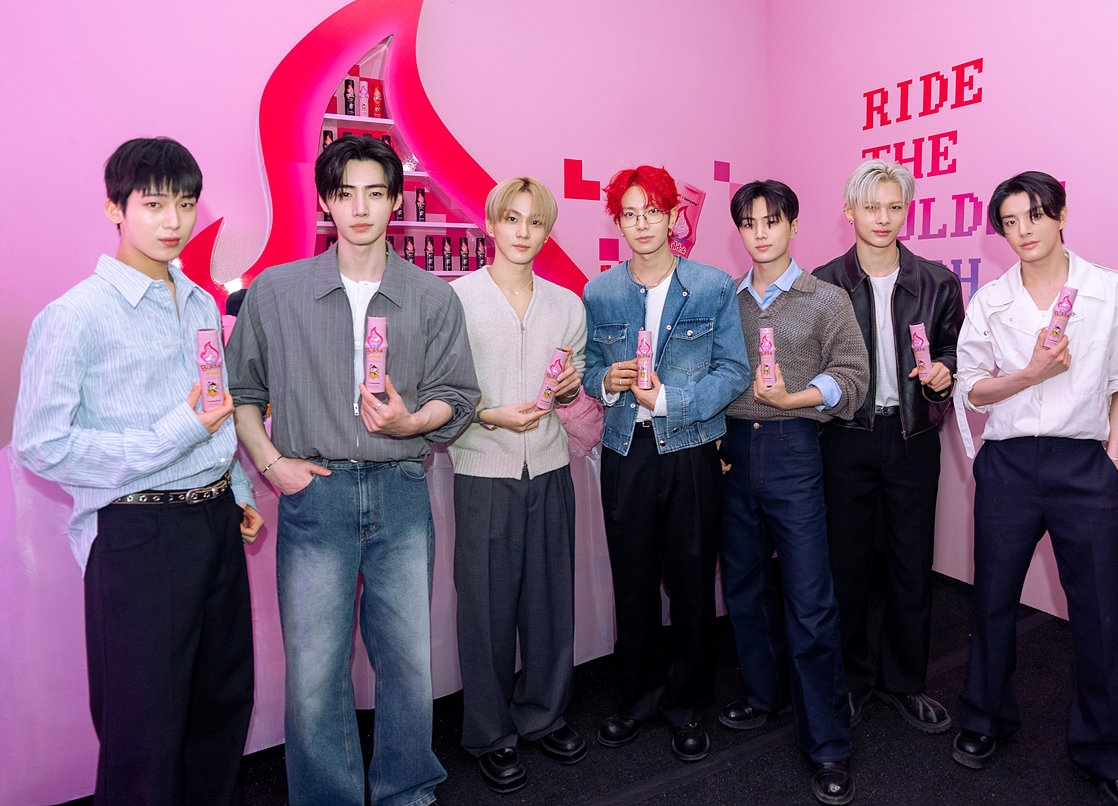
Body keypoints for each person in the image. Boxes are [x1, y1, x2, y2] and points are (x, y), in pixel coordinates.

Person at [226, 135, 479, 806]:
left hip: (401, 492)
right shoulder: (277, 291)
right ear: (325, 202)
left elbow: (457, 397)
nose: (360, 208)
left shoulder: (432, 296)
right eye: (345, 194)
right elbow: (242, 395)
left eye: (374, 193)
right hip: (316, 495)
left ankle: (407, 790)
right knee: (314, 671)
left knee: (407, 663)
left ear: (396, 201)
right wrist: (273, 464)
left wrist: (410, 424)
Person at [12, 137, 263, 805]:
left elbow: (215, 406)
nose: (173, 221)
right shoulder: (75, 315)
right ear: (114, 209)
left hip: (214, 521)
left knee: (221, 706)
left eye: (185, 203)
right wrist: (175, 432)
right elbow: (41, 444)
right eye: (153, 204)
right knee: (144, 731)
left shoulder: (202, 303)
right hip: (139, 533)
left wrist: (237, 490)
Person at [951, 171, 1118, 806]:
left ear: (1061, 214)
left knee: (1100, 613)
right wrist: (1031, 373)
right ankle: (986, 719)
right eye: (1010, 223)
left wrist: (1112, 462)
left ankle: (1107, 751)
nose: (1023, 232)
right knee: (992, 602)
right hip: (1009, 464)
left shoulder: (1112, 291)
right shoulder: (991, 300)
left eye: (1034, 216)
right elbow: (972, 389)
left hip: (1084, 466)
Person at [581, 165, 751, 763]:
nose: (642, 224)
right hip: (625, 450)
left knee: (691, 582)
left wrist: (674, 401)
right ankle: (638, 699)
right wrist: (605, 381)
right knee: (631, 583)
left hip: (691, 450)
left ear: (674, 215)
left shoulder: (711, 286)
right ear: (618, 221)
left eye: (652, 211)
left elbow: (734, 369)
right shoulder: (600, 292)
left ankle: (687, 705)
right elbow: (587, 370)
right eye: (629, 214)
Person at [718, 179, 868, 805]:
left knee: (810, 599)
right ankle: (763, 694)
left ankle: (828, 742)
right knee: (744, 587)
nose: (760, 233)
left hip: (795, 447)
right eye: (749, 222)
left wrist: (796, 397)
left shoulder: (825, 298)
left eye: (772, 221)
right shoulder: (723, 300)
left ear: (794, 225)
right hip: (731, 449)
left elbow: (853, 376)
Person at [811, 160, 964, 733]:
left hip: (911, 436)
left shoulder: (937, 282)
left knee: (911, 563)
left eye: (894, 206)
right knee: (845, 566)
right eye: (871, 206)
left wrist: (944, 372)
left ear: (907, 211)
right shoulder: (822, 283)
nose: (883, 218)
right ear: (849, 211)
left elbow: (953, 350)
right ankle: (850, 681)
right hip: (843, 437)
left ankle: (905, 681)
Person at [448, 177, 588, 793]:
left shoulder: (567, 305)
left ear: (547, 231)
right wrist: (487, 414)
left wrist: (570, 388)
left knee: (550, 603)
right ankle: (489, 732)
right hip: (484, 469)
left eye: (535, 221)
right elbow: (440, 392)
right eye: (512, 219)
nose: (523, 232)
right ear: (491, 224)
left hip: (550, 467)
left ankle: (543, 714)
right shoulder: (456, 299)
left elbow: (573, 382)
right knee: (485, 609)